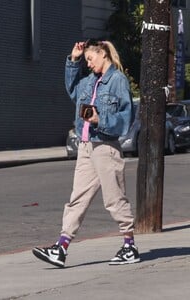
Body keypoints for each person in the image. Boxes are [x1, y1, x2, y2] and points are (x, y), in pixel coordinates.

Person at [32, 39, 140, 267]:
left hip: (105, 146)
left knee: (114, 198)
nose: (88, 64)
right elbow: (73, 90)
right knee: (77, 199)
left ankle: (129, 246)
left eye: (90, 59)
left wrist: (101, 119)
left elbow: (126, 117)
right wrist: (74, 59)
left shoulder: (118, 80)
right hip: (86, 147)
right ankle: (60, 248)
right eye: (86, 60)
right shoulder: (89, 81)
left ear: (103, 54)